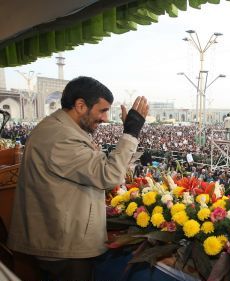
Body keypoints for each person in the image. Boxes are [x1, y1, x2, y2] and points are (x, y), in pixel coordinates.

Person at [7, 76, 149, 281]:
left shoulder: (61, 129)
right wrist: (131, 132)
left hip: (60, 238)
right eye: (102, 110)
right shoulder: (60, 136)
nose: (106, 118)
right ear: (81, 105)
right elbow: (109, 176)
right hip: (63, 245)